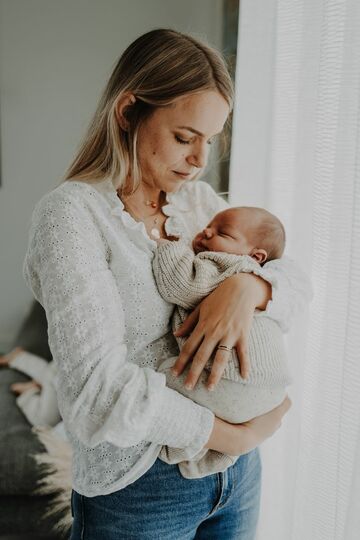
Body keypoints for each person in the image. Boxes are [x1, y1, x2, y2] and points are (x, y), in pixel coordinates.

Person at [23, 29, 311, 540]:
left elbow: (295, 280)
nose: (201, 160)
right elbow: (96, 395)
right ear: (128, 111)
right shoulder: (72, 216)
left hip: (236, 480)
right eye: (185, 137)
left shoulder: (196, 205)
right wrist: (235, 436)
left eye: (212, 140)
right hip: (140, 490)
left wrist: (247, 289)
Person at [154, 206, 292, 478]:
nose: (206, 231)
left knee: (160, 376)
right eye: (209, 225)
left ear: (255, 256)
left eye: (223, 233)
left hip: (232, 383)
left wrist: (169, 247)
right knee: (223, 409)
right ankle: (215, 456)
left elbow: (180, 285)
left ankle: (181, 451)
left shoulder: (225, 265)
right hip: (270, 393)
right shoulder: (257, 276)